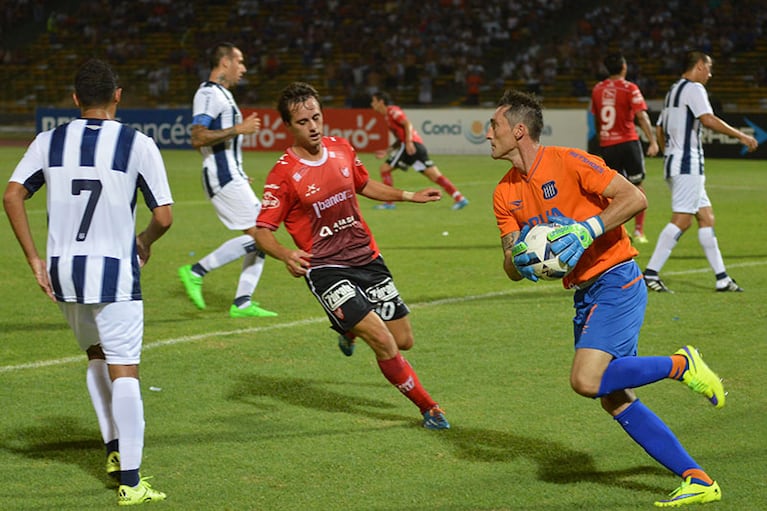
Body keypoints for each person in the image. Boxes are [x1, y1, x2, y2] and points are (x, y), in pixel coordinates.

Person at [488, 88, 725, 507]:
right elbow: (509, 263)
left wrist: (586, 230)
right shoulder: (504, 193)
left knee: (586, 380)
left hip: (616, 278)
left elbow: (634, 198)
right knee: (613, 396)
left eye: (494, 125)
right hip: (584, 293)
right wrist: (522, 259)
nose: (487, 133)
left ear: (518, 130)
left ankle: (681, 364)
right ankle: (698, 478)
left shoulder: (569, 160)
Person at [3, 58, 169, 505]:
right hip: (114, 272)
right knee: (126, 368)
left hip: (63, 273)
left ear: (75, 100)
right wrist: (145, 241)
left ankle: (114, 451)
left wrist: (35, 259)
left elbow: (12, 194)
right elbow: (164, 216)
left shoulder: (48, 141)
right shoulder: (137, 143)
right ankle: (132, 483)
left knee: (96, 353)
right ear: (118, 96)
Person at [254, 82, 450, 430]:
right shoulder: (283, 173)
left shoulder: (341, 148)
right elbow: (262, 230)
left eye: (316, 117)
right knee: (385, 341)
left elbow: (364, 184)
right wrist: (285, 253)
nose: (313, 126)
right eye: (303, 122)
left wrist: (407, 195)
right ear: (289, 126)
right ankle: (429, 408)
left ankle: (349, 329)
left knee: (404, 339)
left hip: (366, 257)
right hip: (326, 267)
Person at [643, 50, 758, 293]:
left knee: (706, 218)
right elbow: (707, 119)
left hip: (677, 163)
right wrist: (742, 136)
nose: (710, 73)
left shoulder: (673, 90)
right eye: (709, 68)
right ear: (698, 66)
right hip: (688, 165)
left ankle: (722, 278)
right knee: (682, 221)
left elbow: (660, 127)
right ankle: (650, 273)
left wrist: (669, 153)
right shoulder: (695, 89)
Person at [178, 42, 277, 318]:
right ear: (225, 63)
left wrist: (237, 167)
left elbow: (208, 142)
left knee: (261, 236)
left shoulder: (222, 94)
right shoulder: (209, 93)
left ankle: (242, 303)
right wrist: (239, 129)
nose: (243, 68)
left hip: (231, 174)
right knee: (264, 235)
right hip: (223, 176)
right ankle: (196, 271)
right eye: (240, 61)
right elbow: (197, 137)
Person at [591, 52, 659, 243]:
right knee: (637, 187)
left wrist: (601, 137)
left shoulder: (597, 89)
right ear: (624, 67)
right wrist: (652, 141)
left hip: (607, 145)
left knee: (609, 190)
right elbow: (641, 116)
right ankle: (639, 231)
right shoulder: (630, 88)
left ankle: (616, 230)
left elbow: (597, 118)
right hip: (628, 143)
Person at [370, 91, 468, 210]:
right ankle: (459, 198)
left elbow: (407, 123)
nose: (372, 104)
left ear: (381, 102)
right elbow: (399, 137)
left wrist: (409, 142)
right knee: (434, 176)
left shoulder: (392, 111)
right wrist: (388, 150)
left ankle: (389, 203)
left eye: (374, 101)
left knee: (384, 169)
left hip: (411, 146)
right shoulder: (387, 117)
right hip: (410, 146)